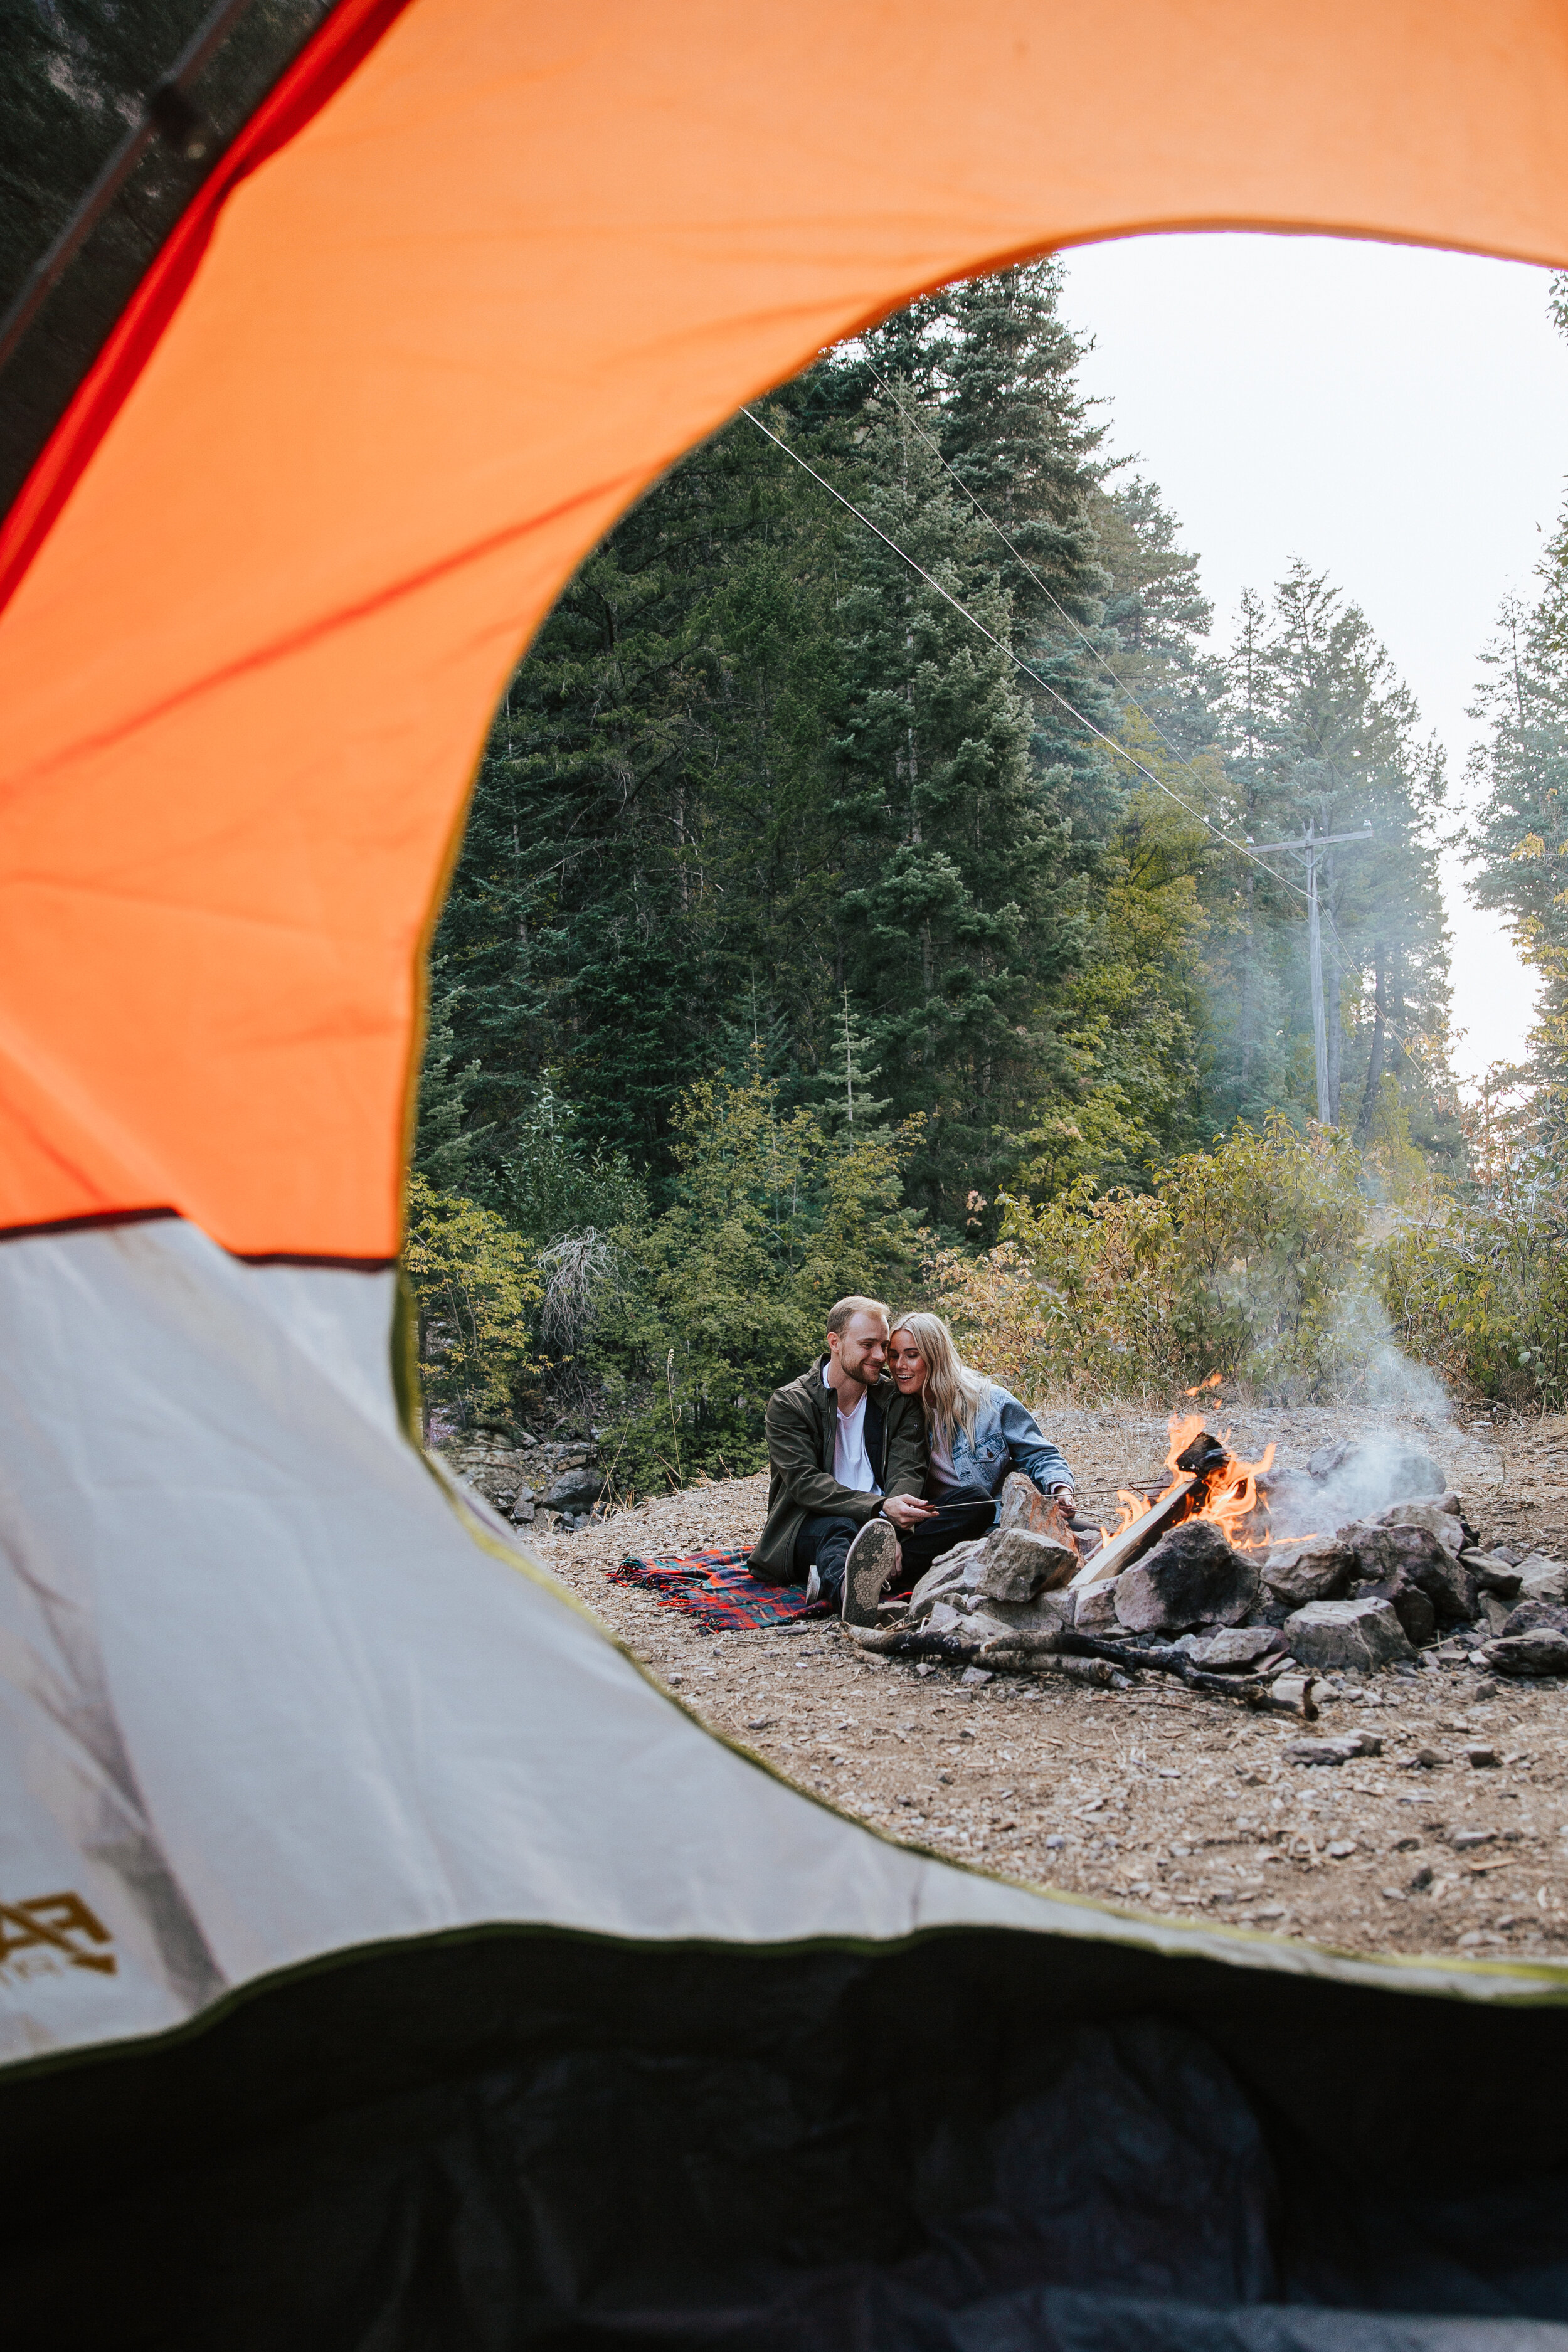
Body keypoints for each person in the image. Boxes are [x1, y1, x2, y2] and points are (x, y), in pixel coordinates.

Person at [750, 1296, 934, 1626]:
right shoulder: (791, 1403)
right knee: (841, 1528)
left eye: (883, 1345)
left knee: (971, 1503)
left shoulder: (897, 1400)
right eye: (868, 1345)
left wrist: (889, 1523)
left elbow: (908, 1467)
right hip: (812, 1523)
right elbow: (807, 1485)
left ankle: (848, 1575)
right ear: (834, 1342)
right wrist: (879, 1509)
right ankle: (853, 1596)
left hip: (886, 1520)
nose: (881, 1357)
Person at [886, 1311, 1076, 1533]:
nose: (899, 1365)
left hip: (1004, 1515)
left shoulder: (991, 1402)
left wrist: (1061, 1490)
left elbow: (1040, 1455)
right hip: (944, 1525)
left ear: (935, 1356)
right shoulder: (895, 1413)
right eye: (893, 1355)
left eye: (911, 1355)